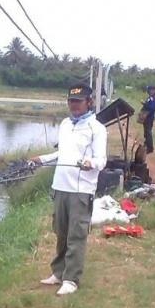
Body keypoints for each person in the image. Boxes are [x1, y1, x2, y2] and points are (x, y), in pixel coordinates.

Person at [31, 83, 107, 296]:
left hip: (81, 190)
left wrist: (89, 163)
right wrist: (41, 160)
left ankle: (71, 279)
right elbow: (61, 154)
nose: (74, 106)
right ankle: (58, 272)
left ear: (89, 102)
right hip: (60, 186)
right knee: (61, 232)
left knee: (76, 235)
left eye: (78, 102)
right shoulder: (65, 124)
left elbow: (102, 160)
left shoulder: (97, 128)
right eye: (71, 101)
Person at [140, 85, 155, 153]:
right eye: (149, 90)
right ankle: (146, 145)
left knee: (148, 133)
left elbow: (152, 107)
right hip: (146, 117)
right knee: (146, 132)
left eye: (150, 90)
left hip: (149, 117)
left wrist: (144, 104)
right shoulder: (150, 97)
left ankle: (150, 148)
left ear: (154, 90)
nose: (149, 91)